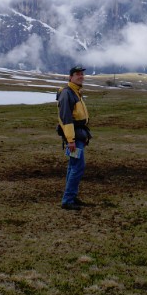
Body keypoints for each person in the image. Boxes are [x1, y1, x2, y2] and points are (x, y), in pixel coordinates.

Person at [56, 65, 92, 210]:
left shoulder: (75, 92)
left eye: (82, 74)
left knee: (73, 165)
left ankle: (70, 196)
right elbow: (66, 119)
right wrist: (70, 140)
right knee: (78, 166)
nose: (81, 76)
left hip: (78, 135)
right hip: (74, 137)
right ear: (71, 77)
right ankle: (68, 200)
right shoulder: (68, 93)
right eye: (77, 74)